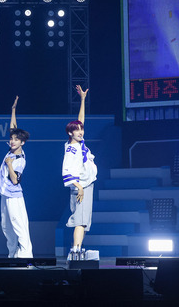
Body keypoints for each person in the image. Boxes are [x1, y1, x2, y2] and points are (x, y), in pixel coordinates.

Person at [0, 96, 33, 258]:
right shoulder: (12, 151)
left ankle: (25, 255)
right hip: (5, 194)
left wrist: (9, 165)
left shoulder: (19, 160)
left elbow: (15, 180)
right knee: (6, 226)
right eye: (11, 139)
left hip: (14, 196)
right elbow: (13, 128)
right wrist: (13, 110)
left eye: (16, 140)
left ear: (22, 143)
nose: (12, 140)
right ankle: (12, 254)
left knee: (19, 225)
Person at [62, 85, 97, 258]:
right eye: (77, 130)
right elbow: (66, 171)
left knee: (83, 222)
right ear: (70, 133)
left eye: (81, 130)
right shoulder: (72, 149)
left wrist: (82, 99)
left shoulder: (78, 143)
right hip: (80, 187)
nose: (81, 132)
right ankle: (75, 251)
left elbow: (80, 120)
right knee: (80, 220)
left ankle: (77, 249)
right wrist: (80, 187)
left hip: (86, 185)